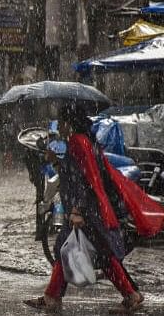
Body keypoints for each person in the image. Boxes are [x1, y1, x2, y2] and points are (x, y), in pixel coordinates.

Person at [24, 104, 164, 313]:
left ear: (69, 123)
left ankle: (131, 295)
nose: (59, 127)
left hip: (89, 212)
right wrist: (57, 162)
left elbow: (86, 180)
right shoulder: (80, 141)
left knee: (100, 255)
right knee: (68, 249)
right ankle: (51, 297)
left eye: (61, 123)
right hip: (87, 209)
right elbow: (75, 173)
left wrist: (78, 211)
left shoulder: (78, 142)